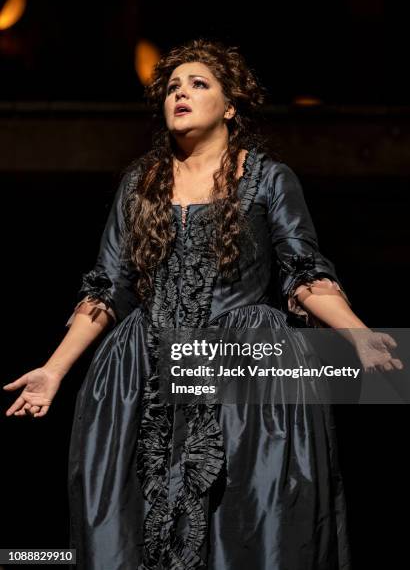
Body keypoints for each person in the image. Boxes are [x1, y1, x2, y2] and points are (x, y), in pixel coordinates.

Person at [3, 38, 402, 570]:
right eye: (172, 87)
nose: (180, 95)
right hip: (143, 371)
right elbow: (106, 288)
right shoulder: (140, 183)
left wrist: (358, 334)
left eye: (198, 84)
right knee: (131, 529)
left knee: (249, 522)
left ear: (230, 105)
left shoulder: (267, 178)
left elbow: (305, 275)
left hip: (245, 369)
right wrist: (54, 370)